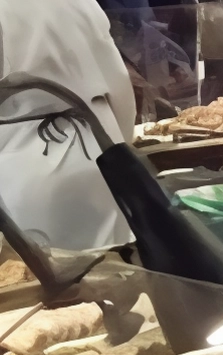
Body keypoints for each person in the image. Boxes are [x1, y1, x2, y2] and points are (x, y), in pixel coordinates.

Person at [0, 0, 135, 251]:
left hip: (21, 175)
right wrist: (120, 151)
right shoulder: (81, 3)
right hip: (99, 158)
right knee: (119, 276)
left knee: (36, 283)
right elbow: (119, 88)